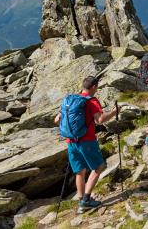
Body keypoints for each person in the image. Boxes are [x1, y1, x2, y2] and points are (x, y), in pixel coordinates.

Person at [54, 76, 119, 212]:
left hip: (71, 142)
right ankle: (86, 200)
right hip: (87, 140)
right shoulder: (91, 101)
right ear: (94, 87)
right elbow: (100, 120)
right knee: (98, 167)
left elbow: (56, 120)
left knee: (80, 171)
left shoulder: (71, 100)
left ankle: (81, 199)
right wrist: (114, 112)